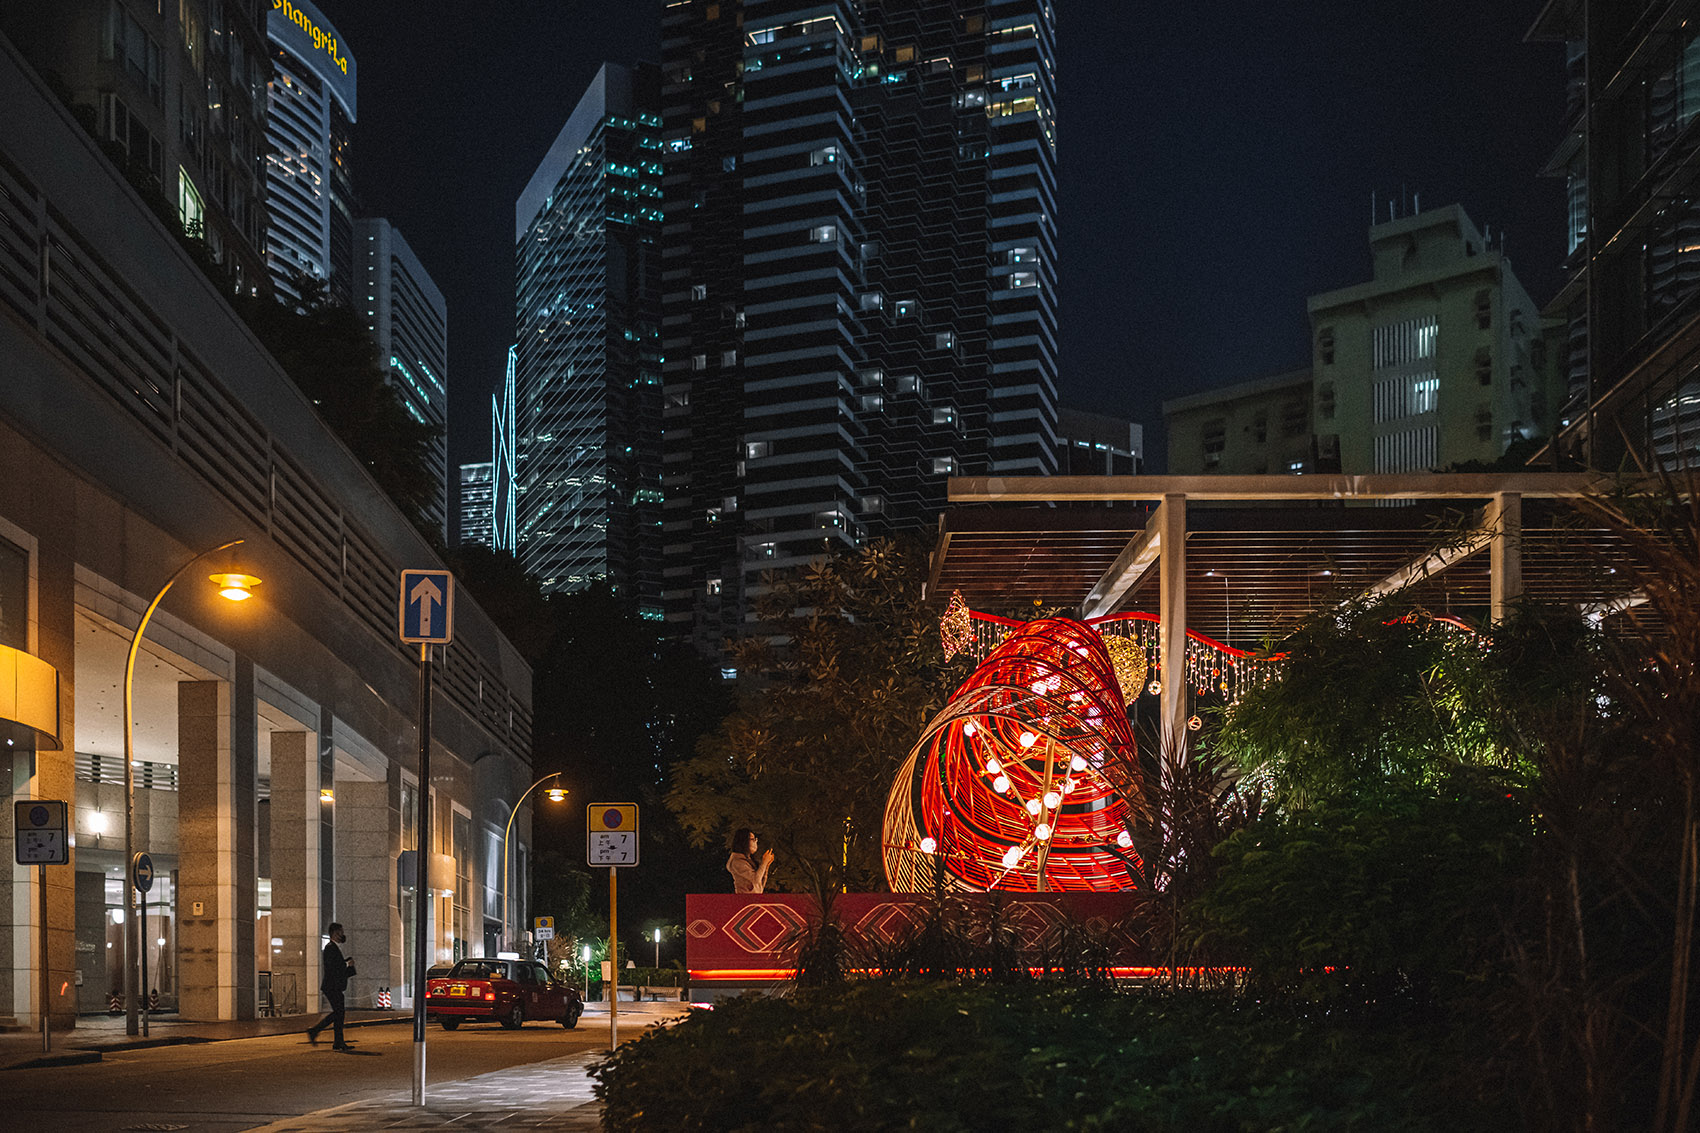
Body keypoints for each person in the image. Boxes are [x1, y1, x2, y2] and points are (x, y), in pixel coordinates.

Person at [306, 921, 355, 1050]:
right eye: (341, 933)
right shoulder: (330, 948)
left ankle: (338, 1042)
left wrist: (346, 964)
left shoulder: (333, 947)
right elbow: (333, 968)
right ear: (334, 933)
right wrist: (348, 966)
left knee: (339, 1014)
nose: (342, 935)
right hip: (332, 986)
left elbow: (336, 966)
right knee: (338, 1013)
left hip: (334, 986)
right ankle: (315, 1030)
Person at [726, 828, 774, 893]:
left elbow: (760, 886)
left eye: (756, 839)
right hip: (744, 900)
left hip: (754, 900)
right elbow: (755, 879)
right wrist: (764, 862)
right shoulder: (737, 861)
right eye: (753, 839)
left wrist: (766, 866)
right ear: (743, 841)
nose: (755, 842)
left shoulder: (748, 860)